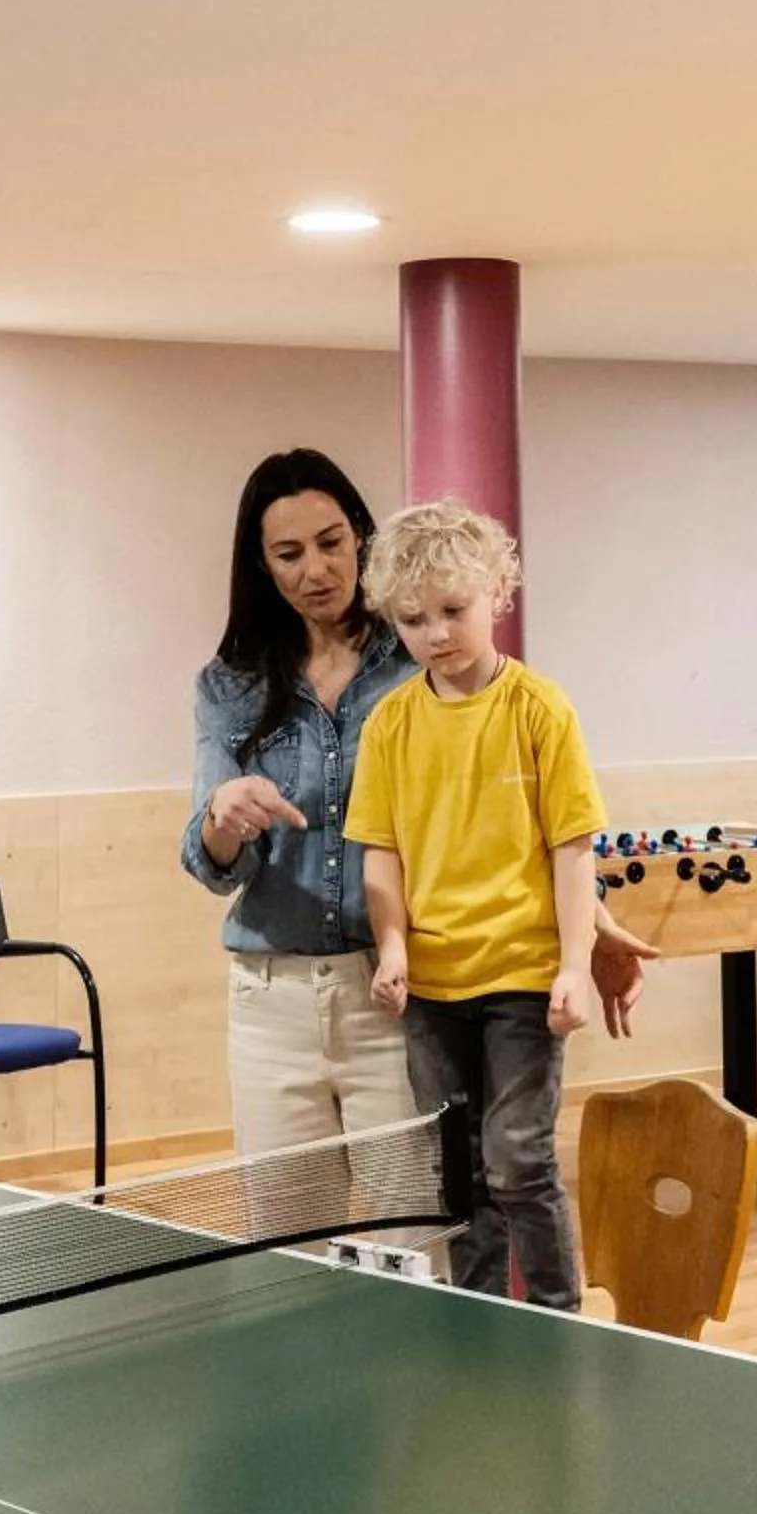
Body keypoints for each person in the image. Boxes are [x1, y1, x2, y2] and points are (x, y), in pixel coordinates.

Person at [184, 450, 650, 1171]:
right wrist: (222, 818)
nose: (316, 570)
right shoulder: (231, 685)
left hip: (400, 989)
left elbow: (516, 821)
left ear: (362, 542)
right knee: (284, 1252)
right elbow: (213, 867)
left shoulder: (427, 661)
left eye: (332, 543)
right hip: (271, 999)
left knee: (416, 1239)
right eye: (289, 553)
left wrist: (591, 930)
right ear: (262, 566)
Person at [346, 499, 605, 1308]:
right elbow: (380, 855)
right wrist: (393, 948)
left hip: (523, 978)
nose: (435, 634)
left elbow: (572, 850)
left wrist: (576, 967)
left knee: (519, 1158)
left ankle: (562, 1314)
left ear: (498, 592)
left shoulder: (540, 711)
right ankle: (484, 1314)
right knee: (458, 1167)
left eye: (452, 610)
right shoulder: (389, 725)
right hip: (433, 984)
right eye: (414, 620)